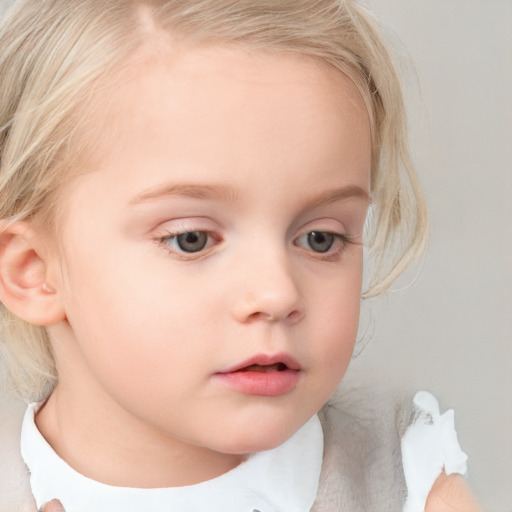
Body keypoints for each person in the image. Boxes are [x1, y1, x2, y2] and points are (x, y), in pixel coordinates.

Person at [0, 1, 481, 511]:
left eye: (321, 238)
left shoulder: (408, 481)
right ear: (35, 273)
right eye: (192, 239)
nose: (278, 293)